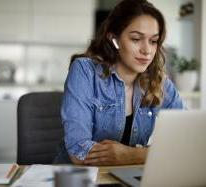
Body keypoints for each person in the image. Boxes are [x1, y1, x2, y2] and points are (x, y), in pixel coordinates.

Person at [54, 0, 186, 166]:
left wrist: (132, 155)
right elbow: (78, 151)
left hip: (127, 175)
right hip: (77, 178)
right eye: (136, 39)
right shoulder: (84, 71)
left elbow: (187, 141)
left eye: (153, 41)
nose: (147, 50)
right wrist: (152, 154)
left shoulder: (158, 80)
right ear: (113, 39)